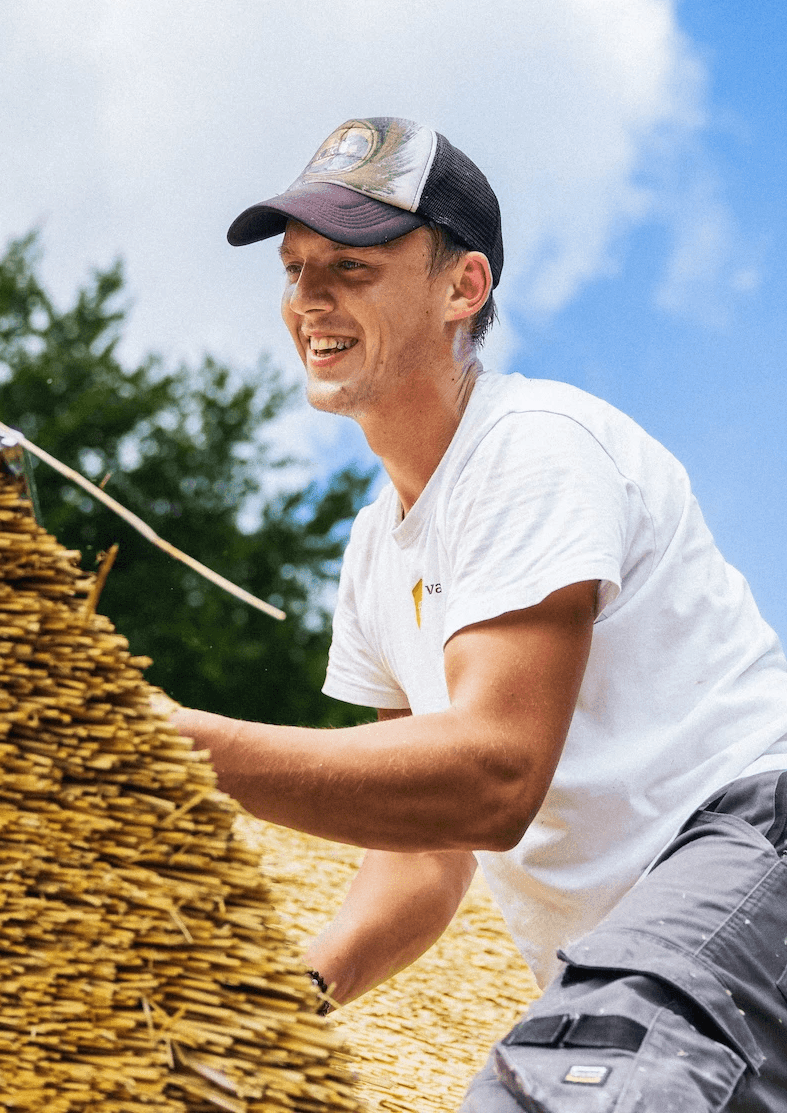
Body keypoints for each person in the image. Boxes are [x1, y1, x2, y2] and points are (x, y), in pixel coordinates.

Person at [165, 116, 787, 1110]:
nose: (308, 299)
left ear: (463, 288)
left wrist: (175, 743)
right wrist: (286, 1002)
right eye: (294, 270)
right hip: (645, 957)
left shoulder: (533, 449)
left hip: (749, 854)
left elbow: (492, 775)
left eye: (351, 269)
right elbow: (421, 860)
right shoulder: (377, 553)